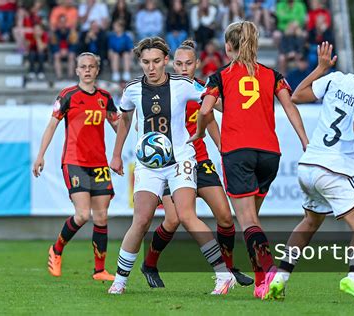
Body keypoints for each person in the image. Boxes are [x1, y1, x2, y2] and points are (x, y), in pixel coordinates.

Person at [189, 21, 309, 300]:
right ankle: (260, 285)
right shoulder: (272, 75)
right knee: (252, 221)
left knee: (247, 221)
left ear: (228, 46)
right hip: (269, 154)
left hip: (238, 152)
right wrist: (304, 140)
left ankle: (269, 271)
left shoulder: (220, 76)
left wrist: (197, 132)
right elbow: (289, 106)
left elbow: (205, 109)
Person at [274, 39, 354, 305]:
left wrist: (320, 68)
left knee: (309, 222)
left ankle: (280, 276)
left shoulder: (335, 79)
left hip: (308, 166)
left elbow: (297, 95)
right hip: (334, 169)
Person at [108, 37, 235, 295]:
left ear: (166, 61)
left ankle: (223, 275)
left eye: (156, 61)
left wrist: (233, 108)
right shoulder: (132, 89)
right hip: (148, 164)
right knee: (141, 219)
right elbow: (124, 119)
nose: (151, 67)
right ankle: (119, 281)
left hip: (181, 159)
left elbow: (211, 102)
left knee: (186, 216)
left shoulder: (183, 85)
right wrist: (116, 154)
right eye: (145, 62)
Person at [139, 39, 253, 288]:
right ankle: (149, 264)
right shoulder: (166, 89)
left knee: (225, 217)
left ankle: (229, 269)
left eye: (188, 63)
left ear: (197, 64)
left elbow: (211, 119)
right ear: (171, 64)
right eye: (178, 63)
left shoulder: (202, 89)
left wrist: (224, 149)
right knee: (173, 220)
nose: (183, 68)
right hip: (174, 164)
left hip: (200, 161)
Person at [32, 52, 119, 281]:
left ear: (97, 70)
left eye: (92, 66)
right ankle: (57, 249)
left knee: (101, 216)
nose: (88, 70)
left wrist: (121, 152)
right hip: (75, 161)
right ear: (77, 70)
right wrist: (40, 155)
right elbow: (51, 126)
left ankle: (99, 270)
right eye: (83, 67)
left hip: (99, 163)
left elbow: (117, 125)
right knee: (82, 215)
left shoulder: (105, 98)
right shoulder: (68, 96)